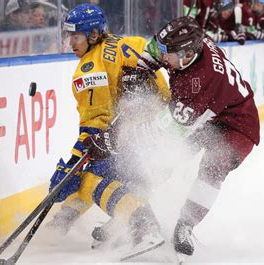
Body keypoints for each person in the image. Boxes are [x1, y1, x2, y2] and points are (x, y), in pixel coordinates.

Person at [85, 15, 260, 259]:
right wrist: (139, 71)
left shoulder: (200, 82)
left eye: (169, 54)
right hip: (203, 111)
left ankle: (185, 226)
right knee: (160, 161)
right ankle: (131, 212)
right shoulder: (183, 42)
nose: (163, 58)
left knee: (212, 168)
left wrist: (114, 140)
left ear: (187, 54)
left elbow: (166, 130)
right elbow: (154, 50)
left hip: (237, 124)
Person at [45, 3, 170, 259]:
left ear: (93, 35)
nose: (71, 42)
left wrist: (71, 164)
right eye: (69, 35)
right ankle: (67, 220)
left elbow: (96, 126)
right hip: (167, 134)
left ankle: (144, 226)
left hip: (140, 139)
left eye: (76, 36)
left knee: (91, 175)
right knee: (106, 169)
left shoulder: (89, 68)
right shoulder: (132, 41)